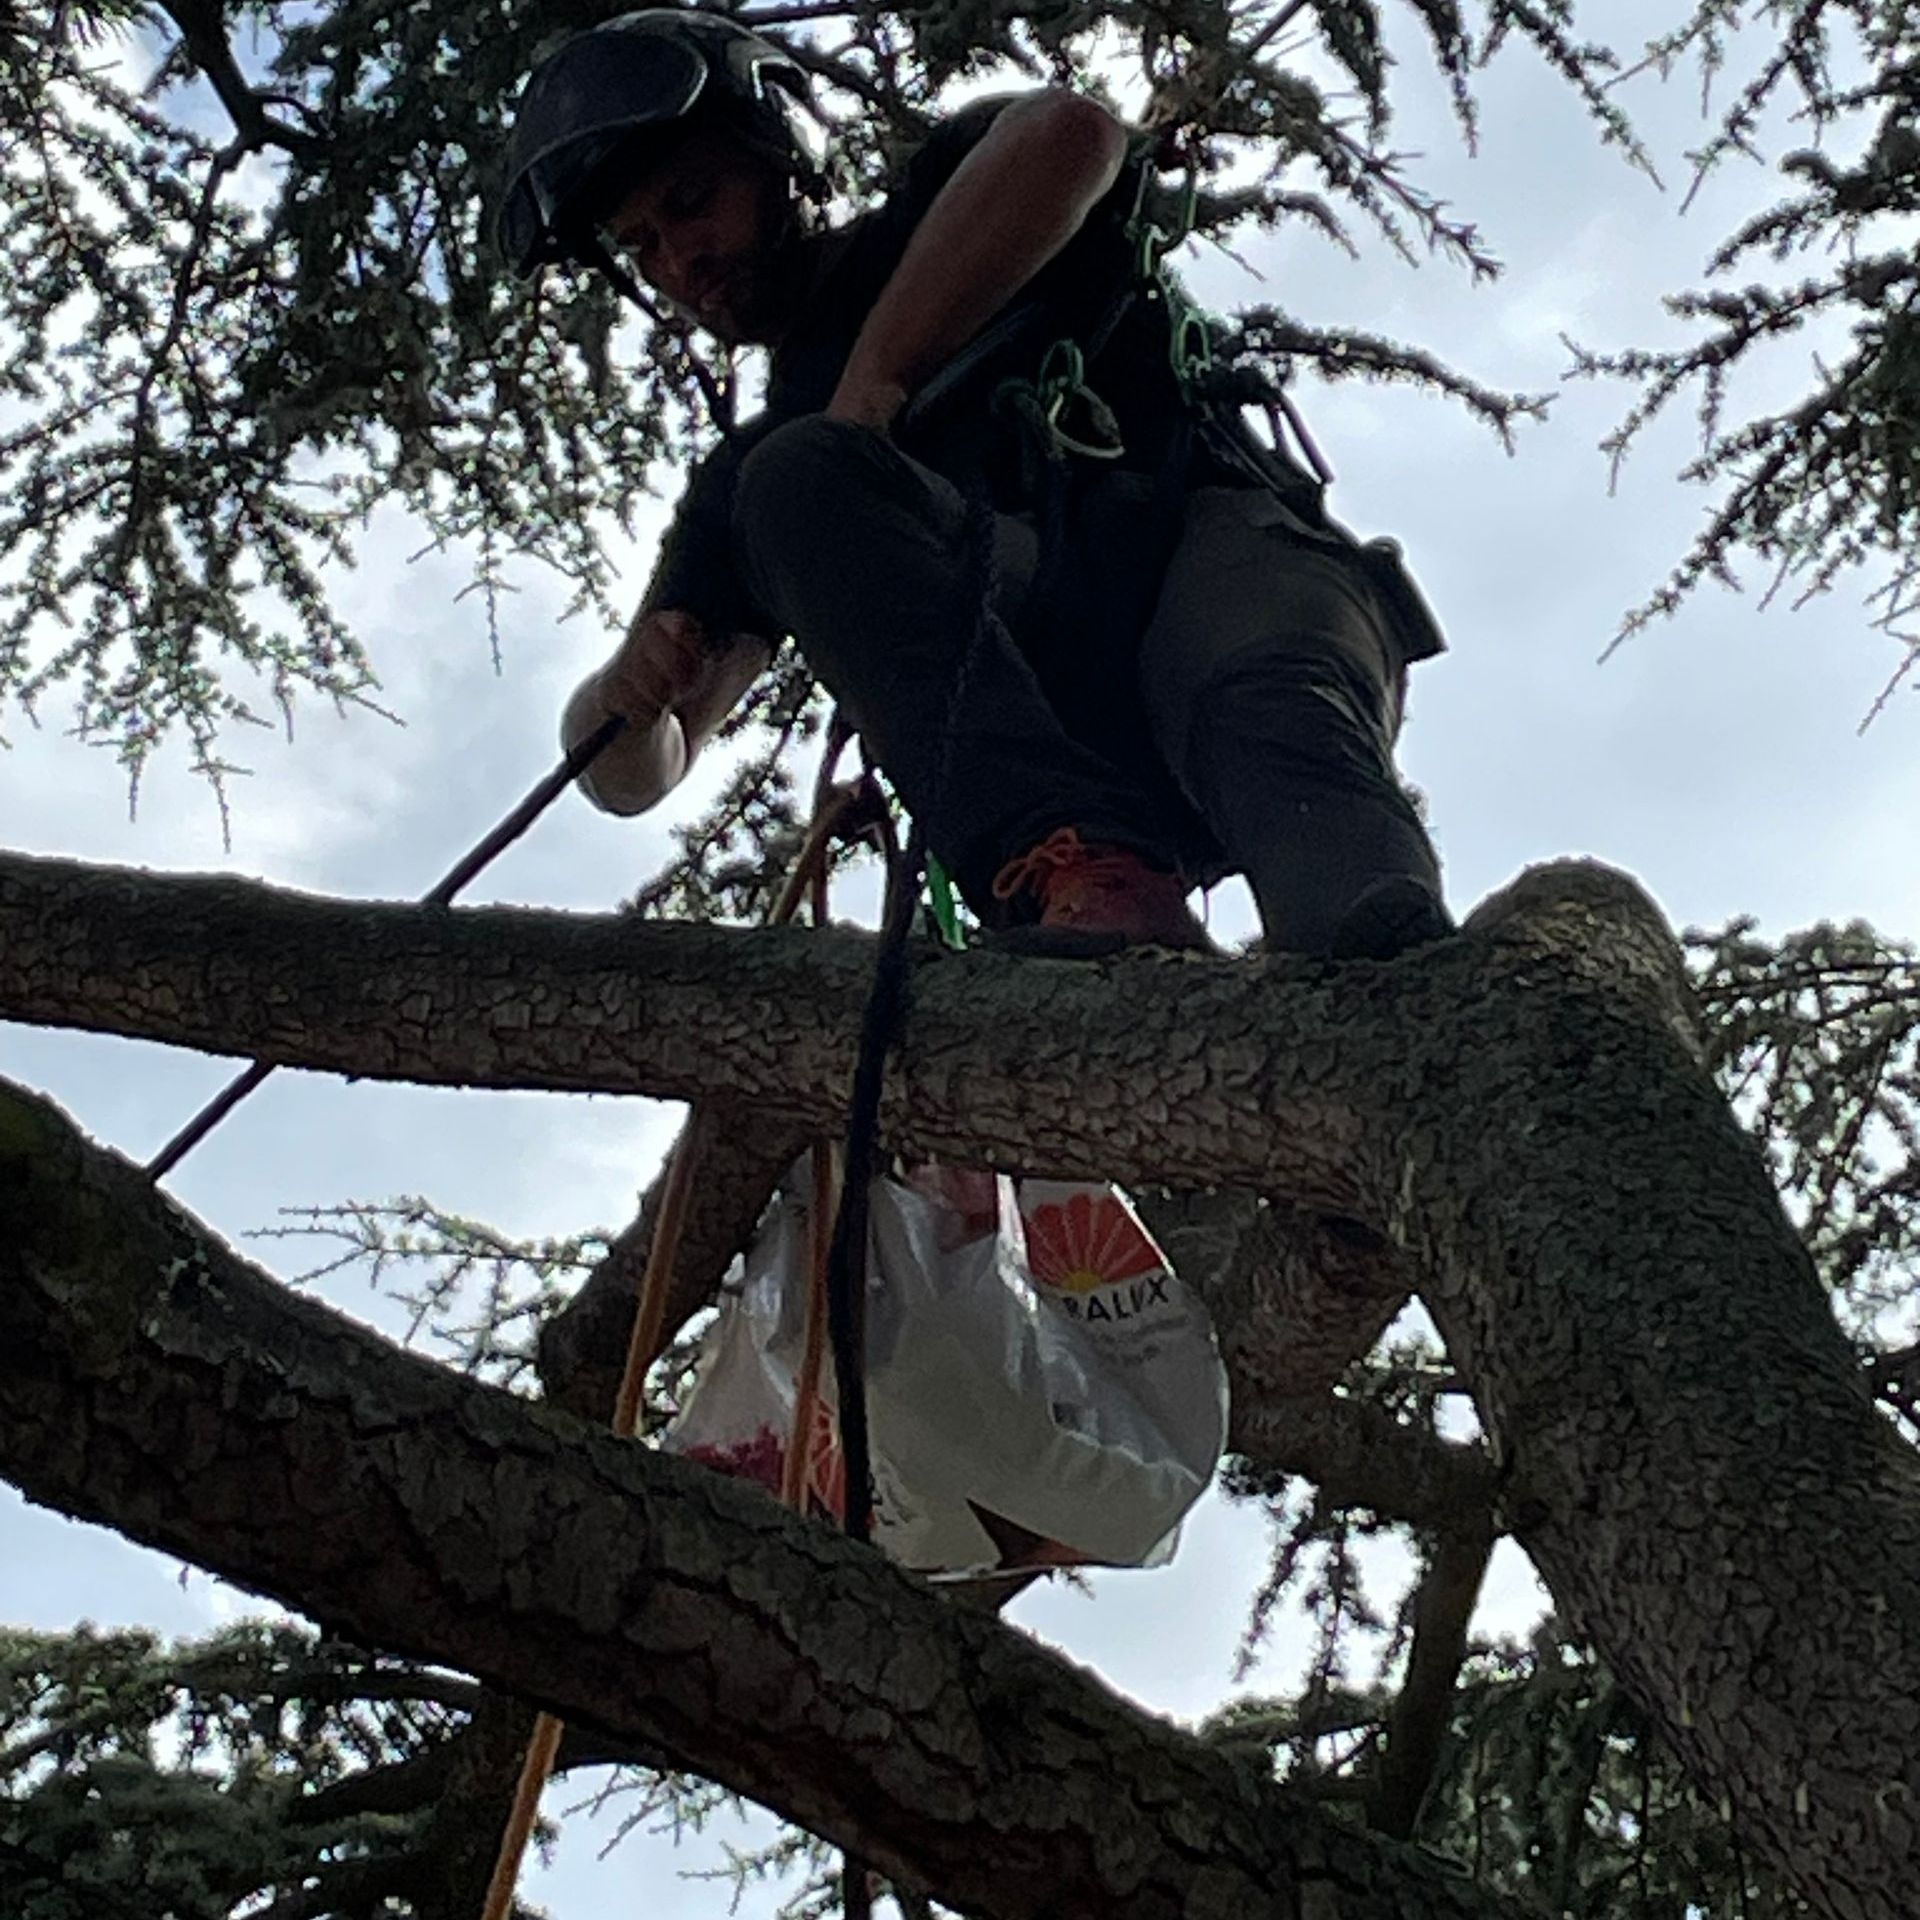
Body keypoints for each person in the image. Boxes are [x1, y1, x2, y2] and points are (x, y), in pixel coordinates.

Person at [499, 8, 1452, 958]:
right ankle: (1081, 871)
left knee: (1306, 810)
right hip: (1065, 717)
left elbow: (1072, 135)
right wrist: (620, 701)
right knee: (795, 481)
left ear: (772, 154)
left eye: (693, 199)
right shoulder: (757, 480)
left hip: (1217, 567)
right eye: (642, 247)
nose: (678, 260)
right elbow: (635, 775)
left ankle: (1409, 987)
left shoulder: (944, 206)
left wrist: (875, 382)